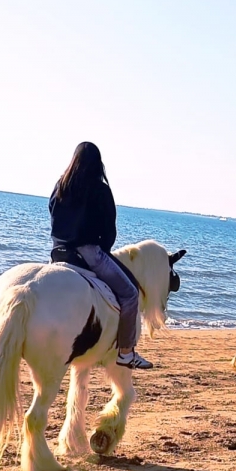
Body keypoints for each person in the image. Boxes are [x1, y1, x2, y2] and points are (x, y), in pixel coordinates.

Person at [49, 142, 152, 369]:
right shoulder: (100, 189)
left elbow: (53, 216)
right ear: (98, 164)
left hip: (58, 253)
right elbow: (108, 229)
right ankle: (126, 353)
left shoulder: (60, 186)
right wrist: (103, 249)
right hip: (88, 253)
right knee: (130, 294)